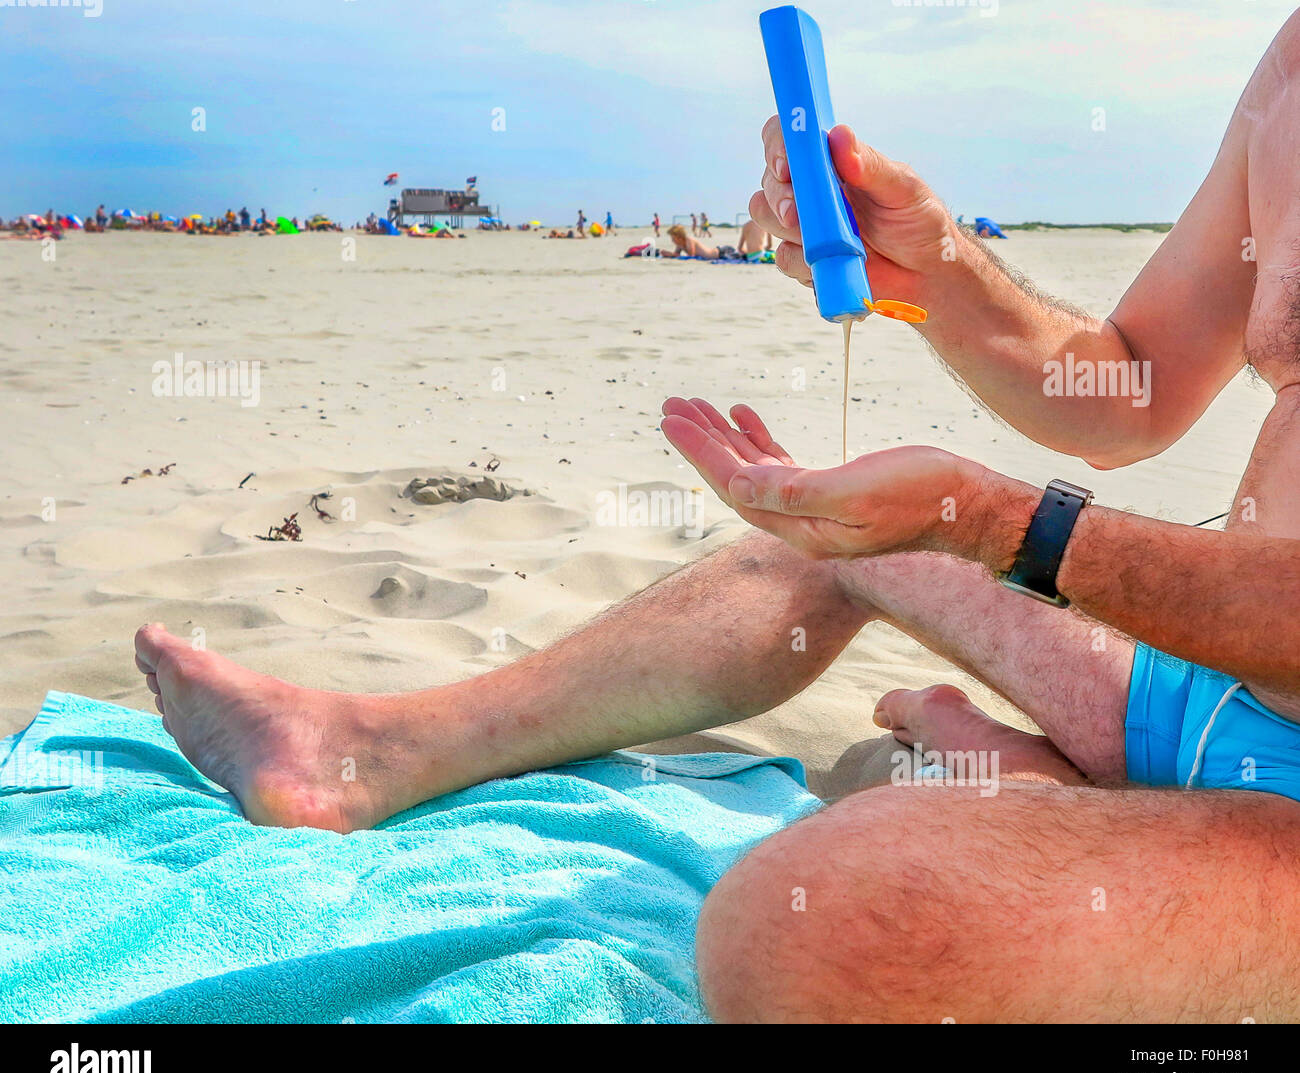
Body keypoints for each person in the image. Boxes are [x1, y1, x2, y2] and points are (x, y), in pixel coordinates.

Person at [135, 13, 1300, 1022]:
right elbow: (1128, 384)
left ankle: (1053, 796)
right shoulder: (1284, 66)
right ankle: (367, 754)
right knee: (816, 545)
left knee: (812, 934)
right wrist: (932, 270)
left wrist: (993, 521)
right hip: (1211, 686)